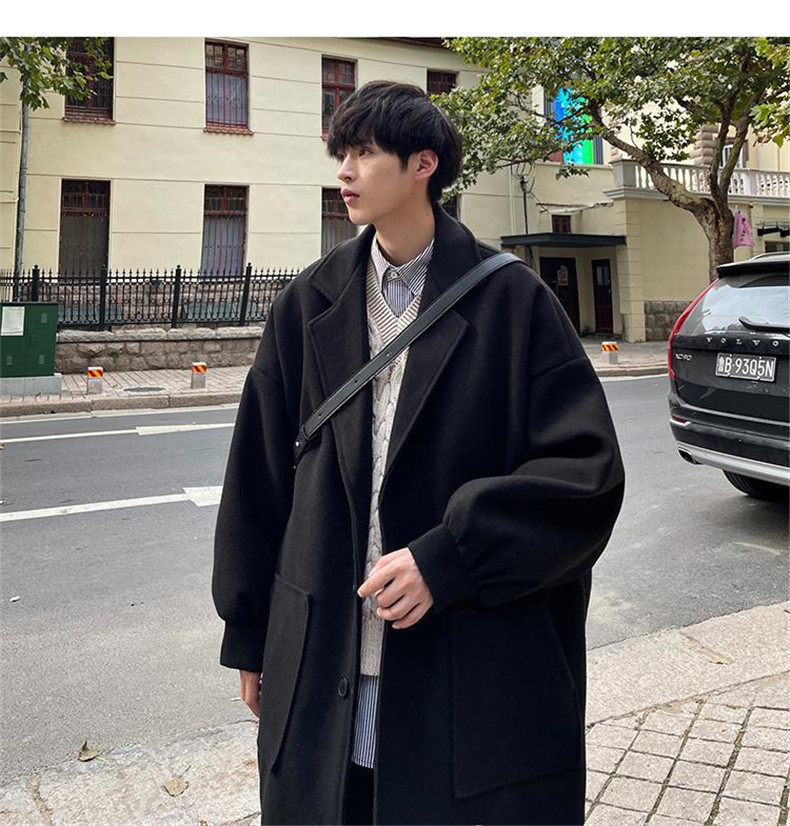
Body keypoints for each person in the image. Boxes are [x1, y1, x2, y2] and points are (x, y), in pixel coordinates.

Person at [212, 80, 625, 825]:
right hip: (324, 654)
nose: (345, 171)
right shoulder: (308, 303)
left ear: (423, 165)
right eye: (341, 153)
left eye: (365, 153)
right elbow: (258, 476)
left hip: (464, 664)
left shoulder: (513, 301)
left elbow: (585, 476)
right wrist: (249, 632)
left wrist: (451, 557)